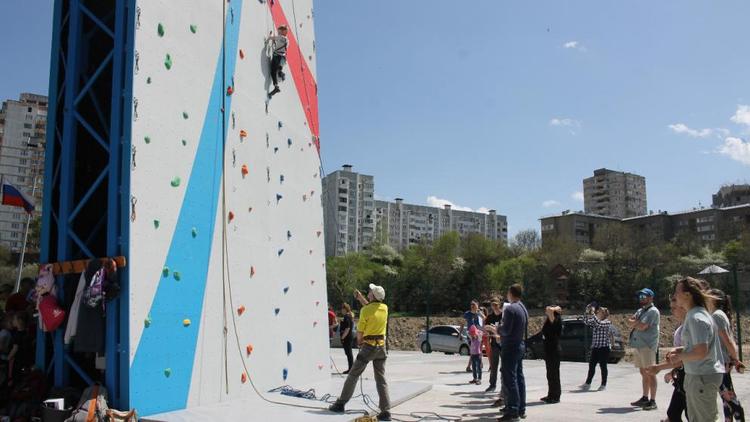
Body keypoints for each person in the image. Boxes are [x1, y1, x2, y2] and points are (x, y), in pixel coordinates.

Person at [666, 277, 725, 422]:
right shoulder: (698, 314)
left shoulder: (695, 318)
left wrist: (679, 357)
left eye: (677, 292)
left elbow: (701, 352)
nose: (674, 296)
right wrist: (681, 350)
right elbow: (699, 346)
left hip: (701, 377)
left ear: (687, 295)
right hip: (700, 376)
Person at [329, 284, 391, 421]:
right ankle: (386, 412)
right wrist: (360, 298)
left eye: (370, 291)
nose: (368, 292)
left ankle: (340, 404)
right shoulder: (384, 308)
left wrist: (359, 343)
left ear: (373, 295)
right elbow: (372, 309)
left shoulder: (365, 311)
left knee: (353, 375)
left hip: (368, 347)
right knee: (381, 379)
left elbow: (360, 333)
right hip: (381, 348)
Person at [647, 295, 688, 422]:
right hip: (682, 375)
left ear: (683, 307)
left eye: (674, 308)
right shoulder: (681, 326)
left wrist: (659, 367)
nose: (672, 311)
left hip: (690, 377)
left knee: (689, 414)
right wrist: (673, 371)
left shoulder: (690, 326)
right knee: (673, 413)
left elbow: (688, 356)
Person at [707, 288, 746, 422]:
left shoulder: (717, 315)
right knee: (726, 399)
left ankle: (740, 417)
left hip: (721, 363)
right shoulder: (718, 314)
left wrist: (735, 359)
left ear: (715, 299)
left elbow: (727, 340)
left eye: (709, 295)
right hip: (722, 362)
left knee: (729, 397)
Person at [499, 283, 528, 422]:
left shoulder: (511, 309)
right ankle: (521, 409)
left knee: (510, 379)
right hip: (519, 345)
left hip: (510, 347)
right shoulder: (523, 308)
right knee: (519, 377)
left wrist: (496, 329)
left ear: (511, 293)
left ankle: (513, 411)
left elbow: (505, 330)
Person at [628, 287, 660, 411]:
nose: (641, 298)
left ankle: (653, 401)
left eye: (644, 296)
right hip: (639, 345)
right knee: (643, 372)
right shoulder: (641, 310)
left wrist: (635, 322)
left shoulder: (653, 311)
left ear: (651, 297)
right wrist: (636, 322)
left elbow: (643, 326)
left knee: (650, 373)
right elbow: (630, 321)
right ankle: (645, 397)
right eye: (640, 296)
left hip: (648, 346)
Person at [581, 305, 613, 391]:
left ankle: (603, 384)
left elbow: (598, 323)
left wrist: (592, 313)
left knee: (603, 366)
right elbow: (586, 321)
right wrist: (587, 312)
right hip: (595, 347)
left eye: (600, 311)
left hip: (604, 347)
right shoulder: (595, 320)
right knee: (591, 366)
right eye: (597, 311)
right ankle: (588, 383)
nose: (597, 312)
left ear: (604, 314)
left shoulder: (607, 322)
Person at [541, 305, 562, 403]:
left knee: (554, 374)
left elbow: (554, 309)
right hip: (548, 349)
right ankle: (551, 394)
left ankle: (556, 396)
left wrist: (552, 309)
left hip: (554, 349)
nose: (546, 310)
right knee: (550, 374)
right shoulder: (549, 320)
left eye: (548, 310)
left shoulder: (556, 320)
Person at [483, 299, 504, 394]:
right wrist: (489, 330)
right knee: (493, 366)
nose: (494, 306)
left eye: (496, 305)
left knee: (504, 367)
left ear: (499, 305)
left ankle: (504, 387)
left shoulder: (504, 315)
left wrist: (494, 329)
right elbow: (486, 328)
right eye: (493, 305)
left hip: (504, 344)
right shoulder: (490, 317)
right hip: (494, 344)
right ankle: (492, 385)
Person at [461, 300, 484, 372]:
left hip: (479, 334)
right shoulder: (467, 314)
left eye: (474, 304)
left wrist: (480, 313)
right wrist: (460, 333)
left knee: (478, 350)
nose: (472, 306)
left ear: (477, 305)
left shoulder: (479, 314)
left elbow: (485, 319)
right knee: (474, 350)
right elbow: (462, 323)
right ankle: (473, 365)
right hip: (471, 334)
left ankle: (478, 364)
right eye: (471, 304)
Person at [267, 25, 289, 97]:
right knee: (278, 69)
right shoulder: (287, 40)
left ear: (283, 31)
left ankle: (276, 87)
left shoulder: (280, 37)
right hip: (283, 58)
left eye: (279, 30)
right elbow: (282, 46)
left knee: (273, 71)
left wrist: (270, 36)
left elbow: (271, 38)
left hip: (277, 56)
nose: (278, 31)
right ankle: (280, 73)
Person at [340, 303, 355, 374]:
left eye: (342, 309)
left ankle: (351, 368)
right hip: (348, 337)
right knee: (348, 353)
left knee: (349, 353)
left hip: (347, 338)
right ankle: (351, 368)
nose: (341, 310)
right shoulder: (348, 316)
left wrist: (342, 337)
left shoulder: (347, 316)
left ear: (345, 309)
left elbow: (348, 328)